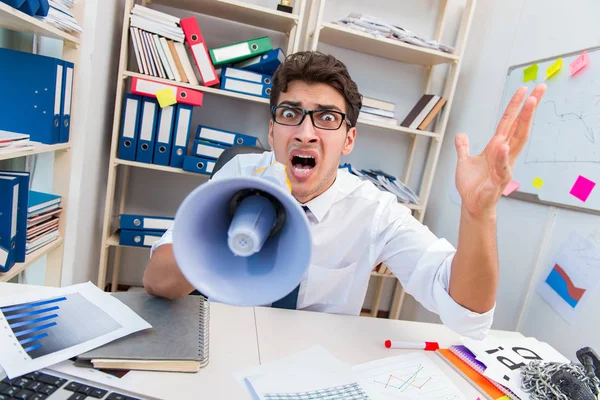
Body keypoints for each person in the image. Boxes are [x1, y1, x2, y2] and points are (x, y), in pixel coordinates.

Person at [143, 51, 546, 339]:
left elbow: (468, 319)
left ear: (349, 139)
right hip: (221, 350)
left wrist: (479, 213)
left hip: (316, 363)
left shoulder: (374, 210)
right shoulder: (237, 175)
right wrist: (218, 229)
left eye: (327, 118)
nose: (305, 132)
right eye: (289, 114)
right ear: (271, 133)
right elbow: (157, 283)